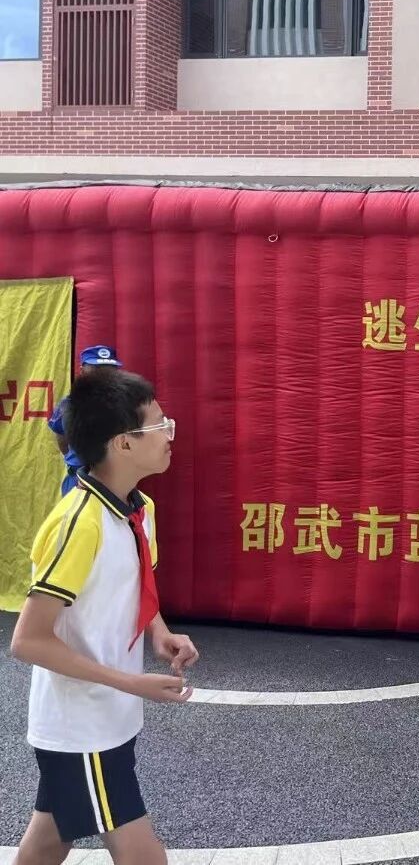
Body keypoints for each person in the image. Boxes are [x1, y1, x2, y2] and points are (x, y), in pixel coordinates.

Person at [9, 368, 198, 865]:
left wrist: (159, 631)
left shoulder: (139, 509)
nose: (170, 434)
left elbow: (131, 586)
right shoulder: (78, 523)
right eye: (160, 425)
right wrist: (130, 683)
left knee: (49, 840)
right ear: (123, 444)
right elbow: (28, 640)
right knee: (144, 857)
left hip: (105, 718)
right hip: (82, 727)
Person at [49, 345, 124, 497]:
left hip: (115, 480)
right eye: (97, 370)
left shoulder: (126, 405)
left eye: (109, 371)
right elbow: (61, 437)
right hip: (79, 480)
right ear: (83, 371)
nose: (104, 376)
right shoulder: (69, 405)